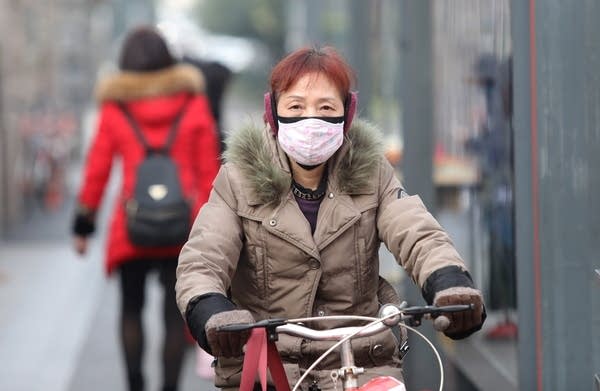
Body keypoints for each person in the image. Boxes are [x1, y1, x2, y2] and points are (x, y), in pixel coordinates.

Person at [175, 46, 485, 390]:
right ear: (273, 114)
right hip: (269, 364)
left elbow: (417, 232)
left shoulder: (373, 174)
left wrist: (449, 282)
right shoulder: (237, 180)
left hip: (360, 361)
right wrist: (211, 309)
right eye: (295, 107)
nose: (311, 120)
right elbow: (203, 258)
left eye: (326, 107)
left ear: (346, 114)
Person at [71, 25, 220, 391]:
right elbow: (208, 173)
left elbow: (98, 168)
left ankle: (135, 385)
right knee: (176, 315)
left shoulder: (117, 106)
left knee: (130, 308)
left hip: (133, 224)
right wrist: (210, 233)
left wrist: (83, 224)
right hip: (183, 226)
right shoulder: (193, 102)